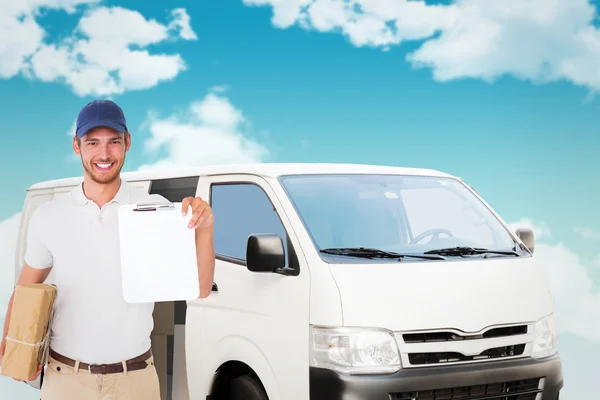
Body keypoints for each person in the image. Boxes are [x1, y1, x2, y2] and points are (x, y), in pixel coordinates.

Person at [0, 100, 216, 399]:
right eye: (93, 142)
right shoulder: (50, 216)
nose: (104, 154)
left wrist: (205, 228)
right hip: (66, 381)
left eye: (114, 142)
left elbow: (201, 288)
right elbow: (25, 288)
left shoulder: (156, 212)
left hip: (135, 381)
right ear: (77, 146)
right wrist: (12, 348)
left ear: (127, 142)